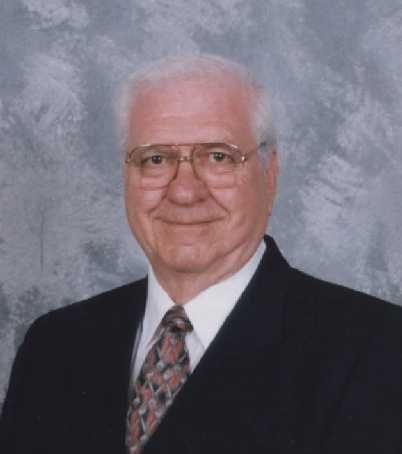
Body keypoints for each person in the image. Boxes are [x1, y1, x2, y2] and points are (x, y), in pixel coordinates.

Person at [1, 54, 402, 454]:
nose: (184, 191)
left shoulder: (379, 351)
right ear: (127, 176)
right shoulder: (54, 347)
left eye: (218, 157)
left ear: (269, 175)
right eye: (155, 159)